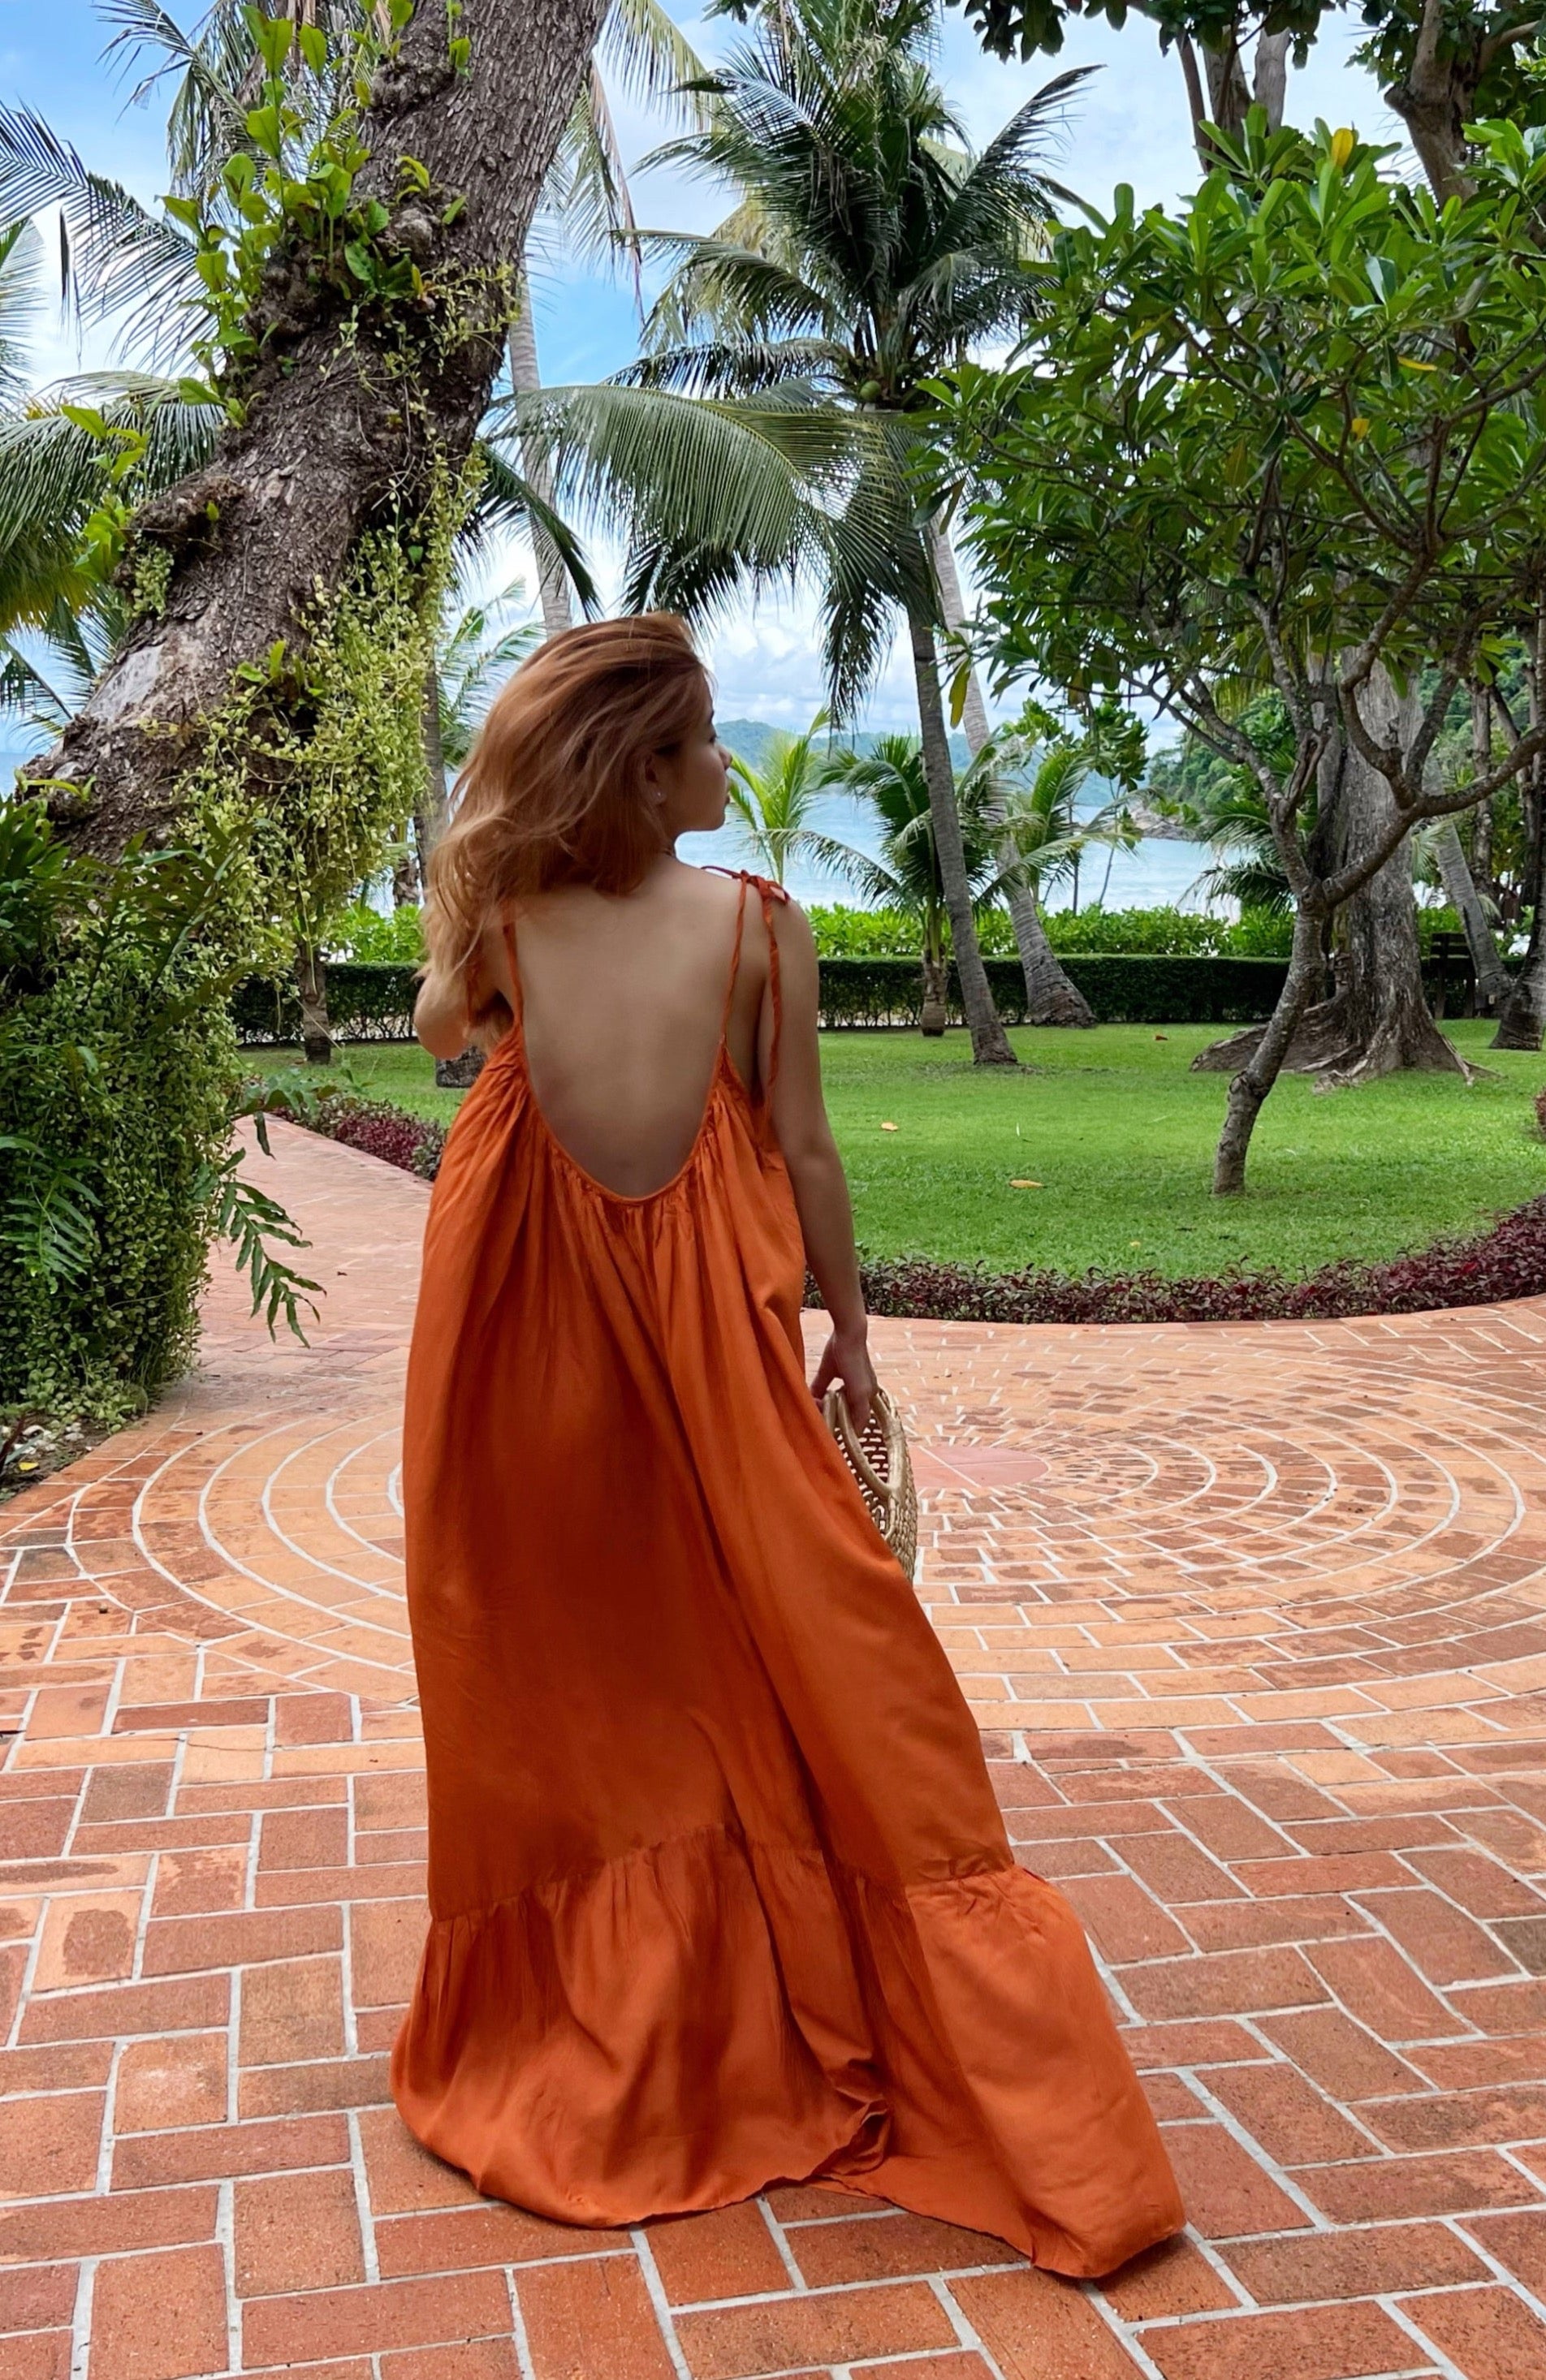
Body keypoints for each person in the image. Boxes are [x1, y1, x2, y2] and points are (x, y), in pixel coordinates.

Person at [394, 614, 1183, 2276]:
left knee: (595, 1678)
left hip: (520, 1367)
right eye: (695, 747)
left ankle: (637, 2018)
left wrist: (475, 885)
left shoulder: (512, 938)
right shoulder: (760, 931)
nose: (724, 771)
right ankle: (900, 2025)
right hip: (722, 1357)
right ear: (639, 769)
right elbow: (808, 1149)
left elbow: (438, 1042)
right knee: (814, 1649)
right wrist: (854, 1331)